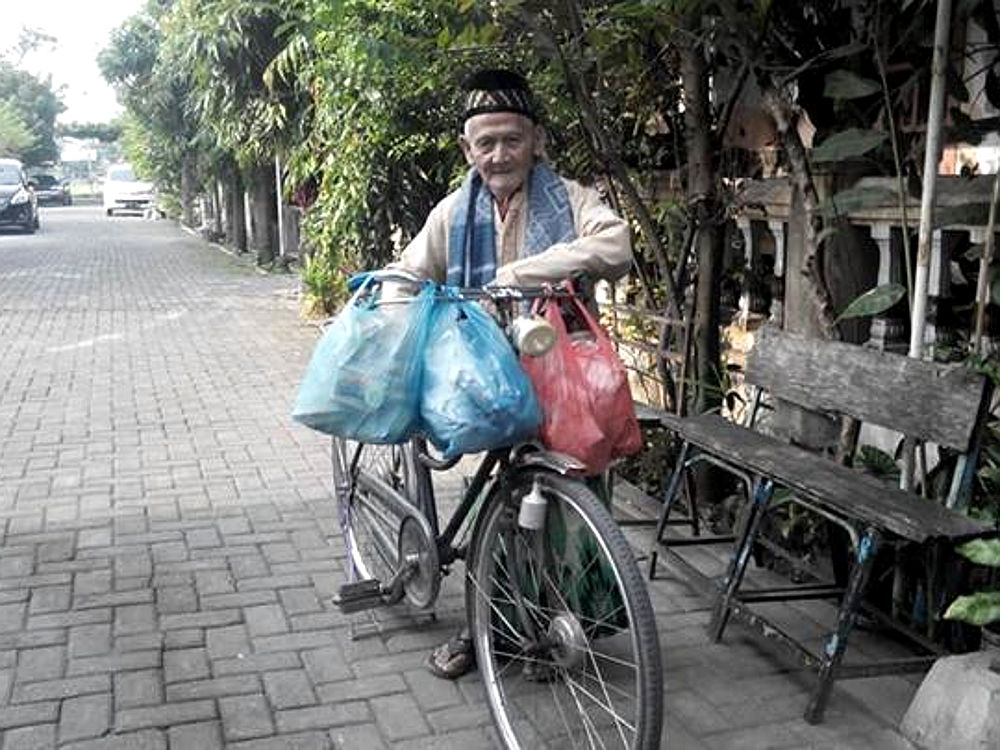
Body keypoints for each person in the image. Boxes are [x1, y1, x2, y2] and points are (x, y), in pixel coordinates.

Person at [389, 68, 633, 679]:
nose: (499, 155)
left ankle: (559, 627)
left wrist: (526, 272)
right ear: (468, 150)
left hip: (562, 375)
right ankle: (486, 630)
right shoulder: (453, 212)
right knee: (498, 500)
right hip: (487, 378)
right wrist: (383, 306)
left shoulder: (573, 200)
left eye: (512, 140)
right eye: (485, 142)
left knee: (569, 502)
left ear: (537, 142)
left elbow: (617, 245)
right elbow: (410, 272)